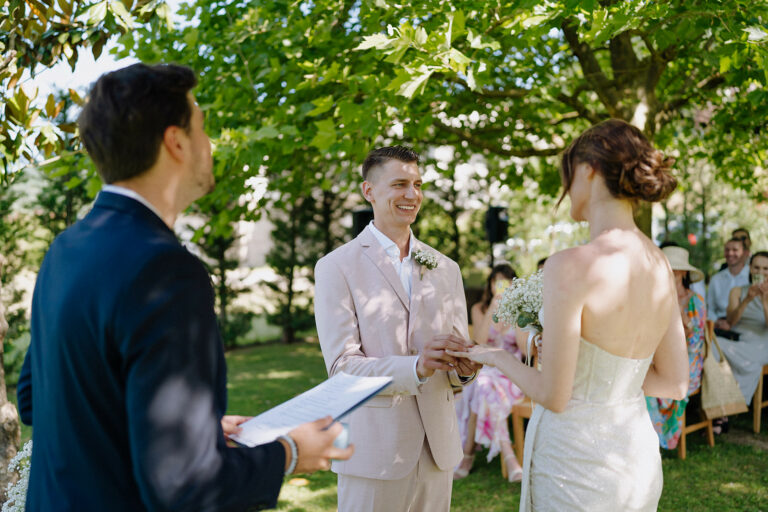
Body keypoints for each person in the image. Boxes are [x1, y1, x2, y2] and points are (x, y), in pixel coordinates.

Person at [16, 63, 352, 512]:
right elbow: (184, 485)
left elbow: (38, 401)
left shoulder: (64, 250)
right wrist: (290, 452)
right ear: (176, 141)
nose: (208, 144)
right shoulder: (167, 271)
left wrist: (195, 428)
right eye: (202, 128)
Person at [450, 119, 689, 511]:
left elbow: (554, 397)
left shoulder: (570, 264)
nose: (566, 188)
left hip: (573, 466)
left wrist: (495, 357)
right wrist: (601, 375)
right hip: (635, 461)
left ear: (588, 169)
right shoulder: (659, 264)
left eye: (568, 174)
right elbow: (675, 383)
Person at [314, 146, 481, 512]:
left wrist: (464, 370)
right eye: (400, 184)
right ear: (368, 191)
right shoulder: (335, 267)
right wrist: (416, 366)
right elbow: (343, 369)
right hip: (373, 450)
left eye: (418, 184)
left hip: (438, 449)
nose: (412, 195)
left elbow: (455, 357)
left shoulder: (446, 268)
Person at [454, 264, 525, 482]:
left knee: (482, 387)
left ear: (514, 285)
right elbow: (480, 342)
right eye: (497, 281)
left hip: (512, 374)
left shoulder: (521, 310)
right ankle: (509, 456)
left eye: (506, 281)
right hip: (486, 372)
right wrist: (493, 310)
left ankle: (468, 453)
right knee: (484, 384)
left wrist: (513, 314)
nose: (501, 286)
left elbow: (523, 348)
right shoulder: (479, 309)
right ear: (491, 285)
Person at [646, 246, 707, 449]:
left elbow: (694, 343)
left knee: (656, 383)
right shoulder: (655, 300)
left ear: (681, 273)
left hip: (689, 361)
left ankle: (657, 438)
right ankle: (647, 437)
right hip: (658, 357)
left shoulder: (695, 302)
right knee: (640, 376)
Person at [716, 251, 768, 407]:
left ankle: (729, 404)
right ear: (750, 269)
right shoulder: (737, 291)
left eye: (766, 269)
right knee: (713, 344)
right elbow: (731, 322)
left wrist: (764, 301)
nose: (761, 272)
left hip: (763, 341)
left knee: (750, 358)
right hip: (738, 339)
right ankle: (724, 400)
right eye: (757, 268)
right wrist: (747, 299)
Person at [708, 238, 750, 329]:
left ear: (744, 253)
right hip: (720, 328)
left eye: (735, 250)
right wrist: (717, 321)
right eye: (727, 250)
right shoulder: (716, 279)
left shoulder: (751, 277)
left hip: (747, 327)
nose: (730, 253)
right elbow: (710, 308)